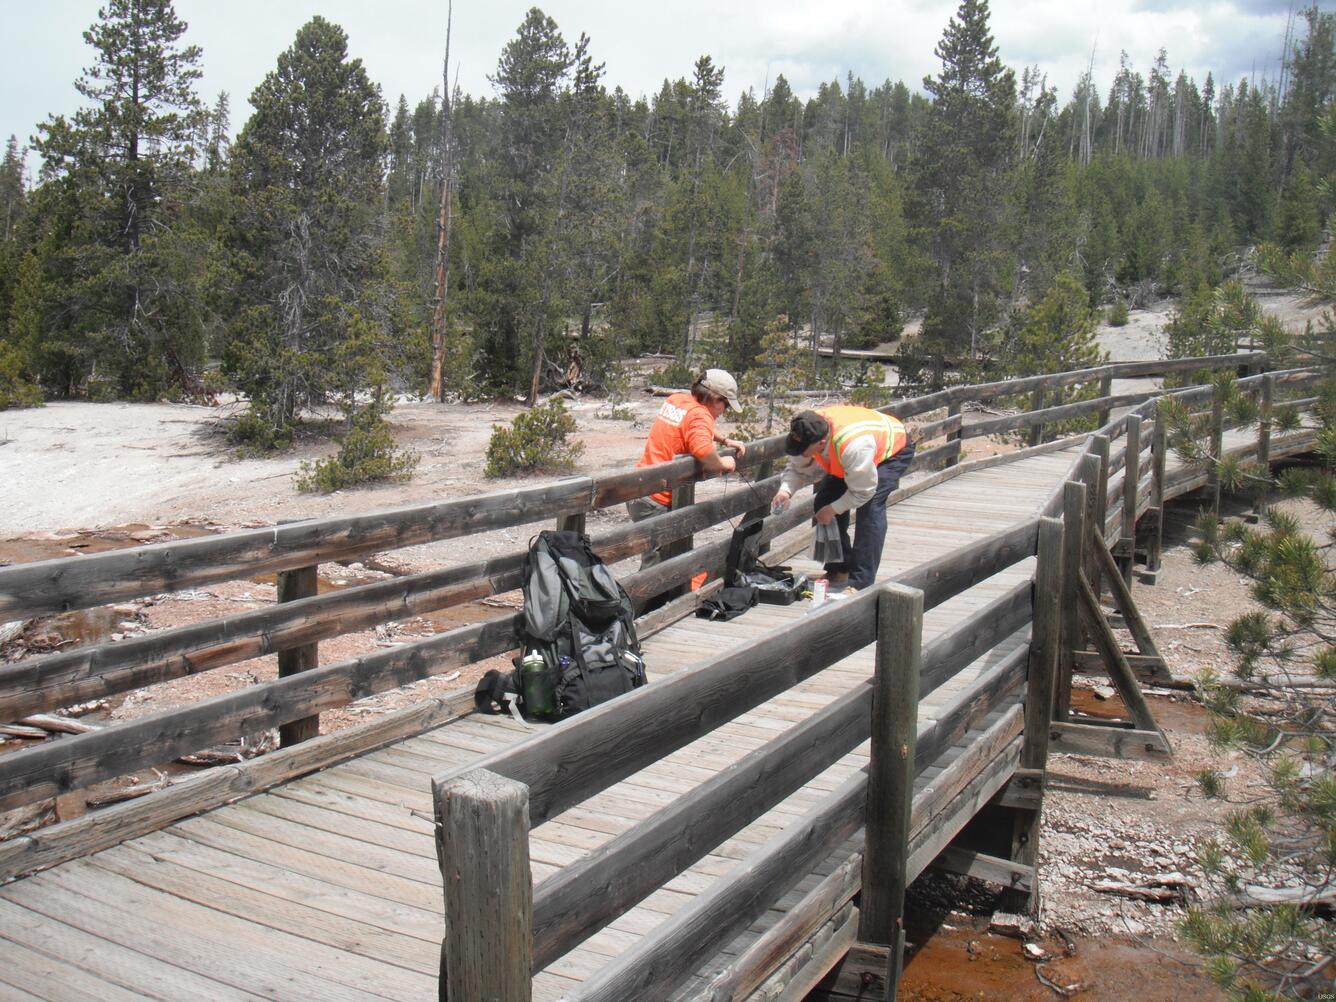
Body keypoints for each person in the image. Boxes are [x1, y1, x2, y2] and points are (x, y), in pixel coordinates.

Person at [771, 406, 914, 591]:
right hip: (854, 453)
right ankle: (838, 569)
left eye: (803, 449)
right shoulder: (809, 427)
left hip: (892, 449)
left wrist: (833, 510)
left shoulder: (853, 447)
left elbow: (864, 491)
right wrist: (785, 491)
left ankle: (860, 583)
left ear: (821, 443)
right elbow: (798, 468)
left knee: (870, 509)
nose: (800, 452)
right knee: (824, 500)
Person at [627, 369, 746, 571]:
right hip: (658, 499)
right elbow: (703, 450)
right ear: (714, 397)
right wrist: (723, 463)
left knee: (662, 560)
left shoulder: (678, 400)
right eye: (725, 404)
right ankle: (637, 603)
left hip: (640, 490)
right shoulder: (701, 415)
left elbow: (692, 427)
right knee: (655, 569)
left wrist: (724, 440)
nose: (724, 410)